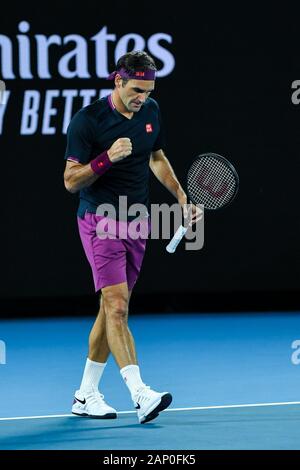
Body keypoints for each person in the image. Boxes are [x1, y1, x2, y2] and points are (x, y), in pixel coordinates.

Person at [63, 50, 201, 424]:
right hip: (99, 220)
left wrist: (181, 196)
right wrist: (106, 158)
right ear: (118, 81)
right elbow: (70, 181)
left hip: (138, 221)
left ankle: (85, 394)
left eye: (149, 90)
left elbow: (156, 157)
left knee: (111, 310)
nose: (143, 98)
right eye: (137, 89)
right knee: (119, 306)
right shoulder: (88, 120)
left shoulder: (151, 112)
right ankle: (140, 394)